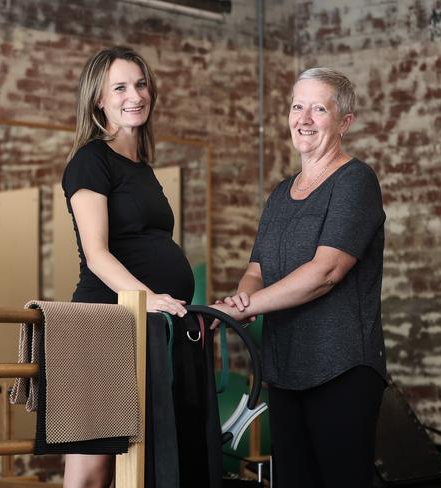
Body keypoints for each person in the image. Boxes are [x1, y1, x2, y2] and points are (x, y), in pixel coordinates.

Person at [213, 67, 387, 487]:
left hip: (341, 368)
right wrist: (241, 301)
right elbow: (257, 270)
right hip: (286, 369)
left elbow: (326, 271)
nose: (303, 119)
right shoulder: (280, 193)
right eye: (296, 107)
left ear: (345, 122)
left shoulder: (355, 182)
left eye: (318, 109)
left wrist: (249, 305)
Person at [61, 46, 194, 488]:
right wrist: (148, 298)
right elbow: (96, 253)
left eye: (140, 84)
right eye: (119, 87)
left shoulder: (141, 168)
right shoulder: (90, 161)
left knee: (135, 469)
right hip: (103, 324)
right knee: (93, 471)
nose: (134, 95)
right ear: (98, 99)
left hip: (147, 327)